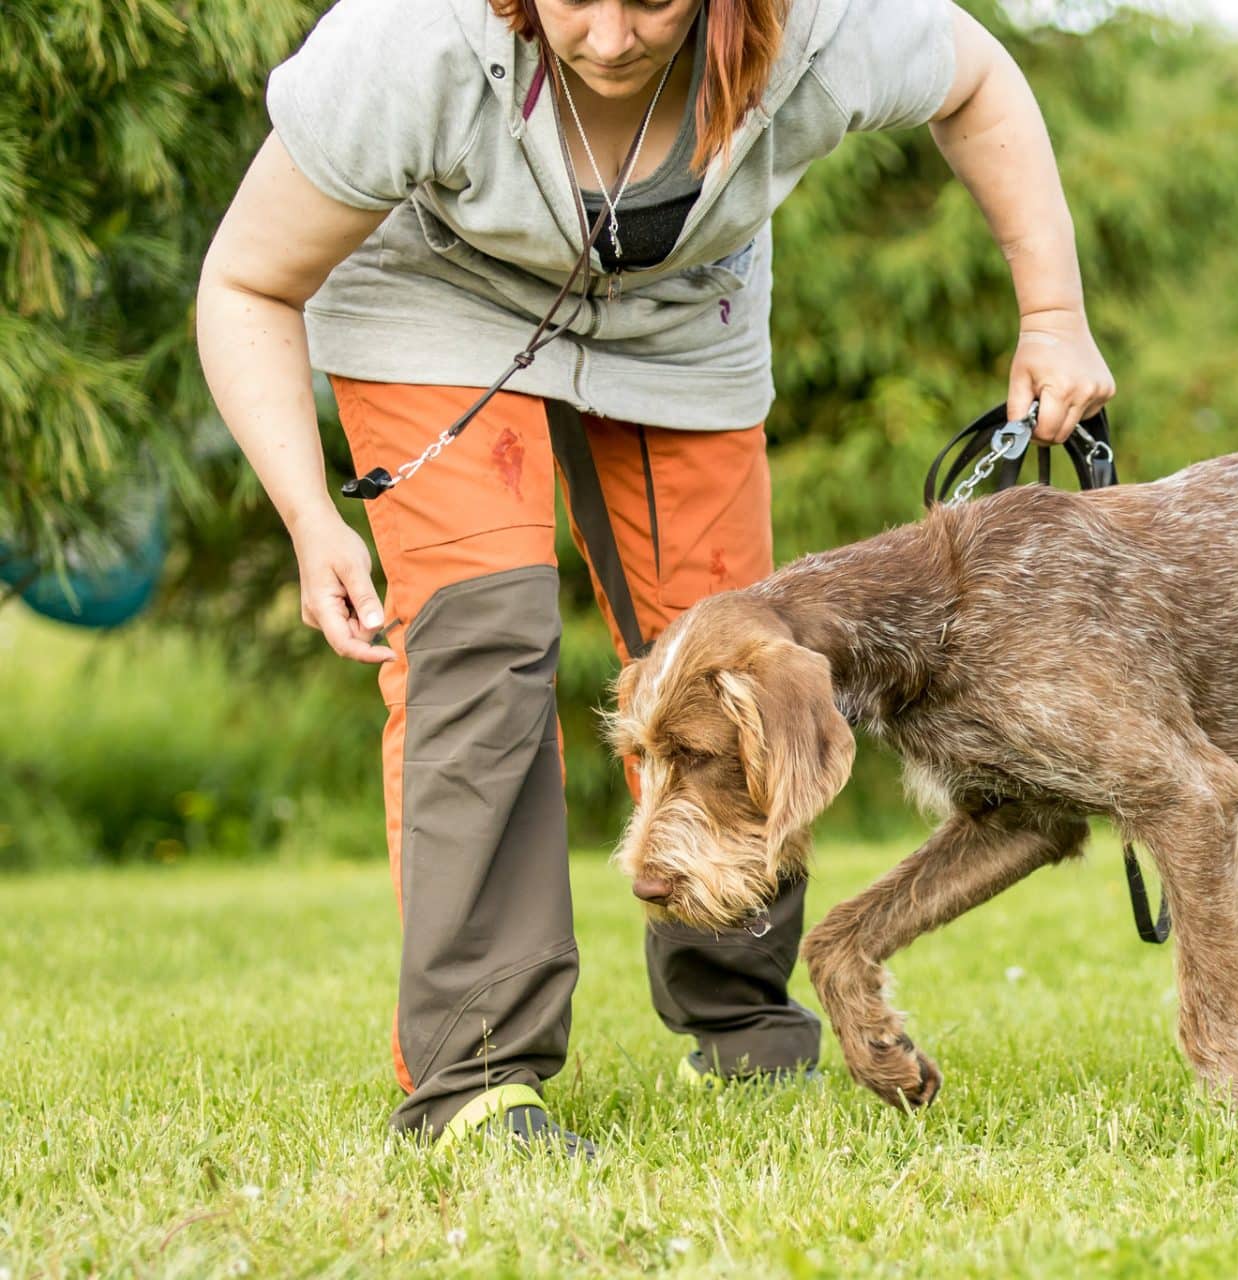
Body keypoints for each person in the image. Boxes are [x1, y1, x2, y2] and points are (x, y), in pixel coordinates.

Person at [196, 0, 1114, 1155]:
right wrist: (305, 511)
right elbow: (245, 285)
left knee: (740, 656)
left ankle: (742, 1026)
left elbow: (978, 80)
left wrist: (1054, 313)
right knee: (483, 645)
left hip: (682, 321)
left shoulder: (819, 24)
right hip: (433, 310)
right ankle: (475, 1076)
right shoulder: (406, 44)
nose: (617, 36)